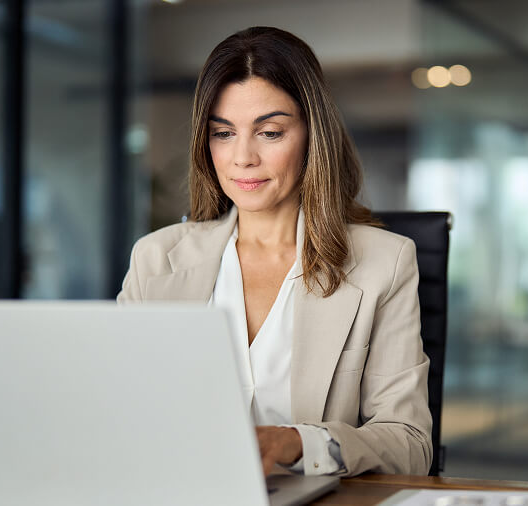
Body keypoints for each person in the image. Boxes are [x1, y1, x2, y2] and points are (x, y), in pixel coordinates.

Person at [116, 26, 431, 477]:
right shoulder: (155, 259)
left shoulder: (385, 263)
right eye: (224, 133)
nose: (243, 157)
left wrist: (298, 443)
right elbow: (114, 409)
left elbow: (410, 444)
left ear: (310, 136)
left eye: (269, 132)